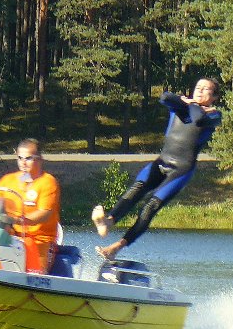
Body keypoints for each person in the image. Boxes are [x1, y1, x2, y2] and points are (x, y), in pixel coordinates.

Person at [93, 78, 222, 259]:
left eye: (205, 89)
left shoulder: (214, 116)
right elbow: (165, 97)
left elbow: (199, 119)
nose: (199, 91)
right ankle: (108, 221)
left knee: (150, 206)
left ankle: (116, 247)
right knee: (136, 189)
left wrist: (190, 103)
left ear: (214, 96)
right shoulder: (181, 106)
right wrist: (185, 101)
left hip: (181, 170)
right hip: (162, 161)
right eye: (197, 87)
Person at [0, 138, 60, 274]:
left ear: (40, 159)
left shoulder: (48, 182)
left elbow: (45, 213)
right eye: (20, 158)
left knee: (36, 274)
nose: (23, 163)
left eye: (28, 158)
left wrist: (18, 220)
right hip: (11, 238)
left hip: (40, 242)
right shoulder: (7, 180)